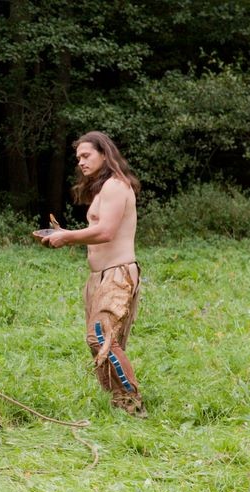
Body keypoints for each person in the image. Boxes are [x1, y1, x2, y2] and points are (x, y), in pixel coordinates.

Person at [42, 131, 147, 418]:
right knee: (104, 342)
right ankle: (117, 402)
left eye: (86, 155)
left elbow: (106, 232)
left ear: (105, 154)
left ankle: (131, 402)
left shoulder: (115, 186)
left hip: (117, 274)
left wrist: (66, 237)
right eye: (78, 158)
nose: (81, 162)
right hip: (99, 276)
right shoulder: (102, 189)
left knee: (100, 337)